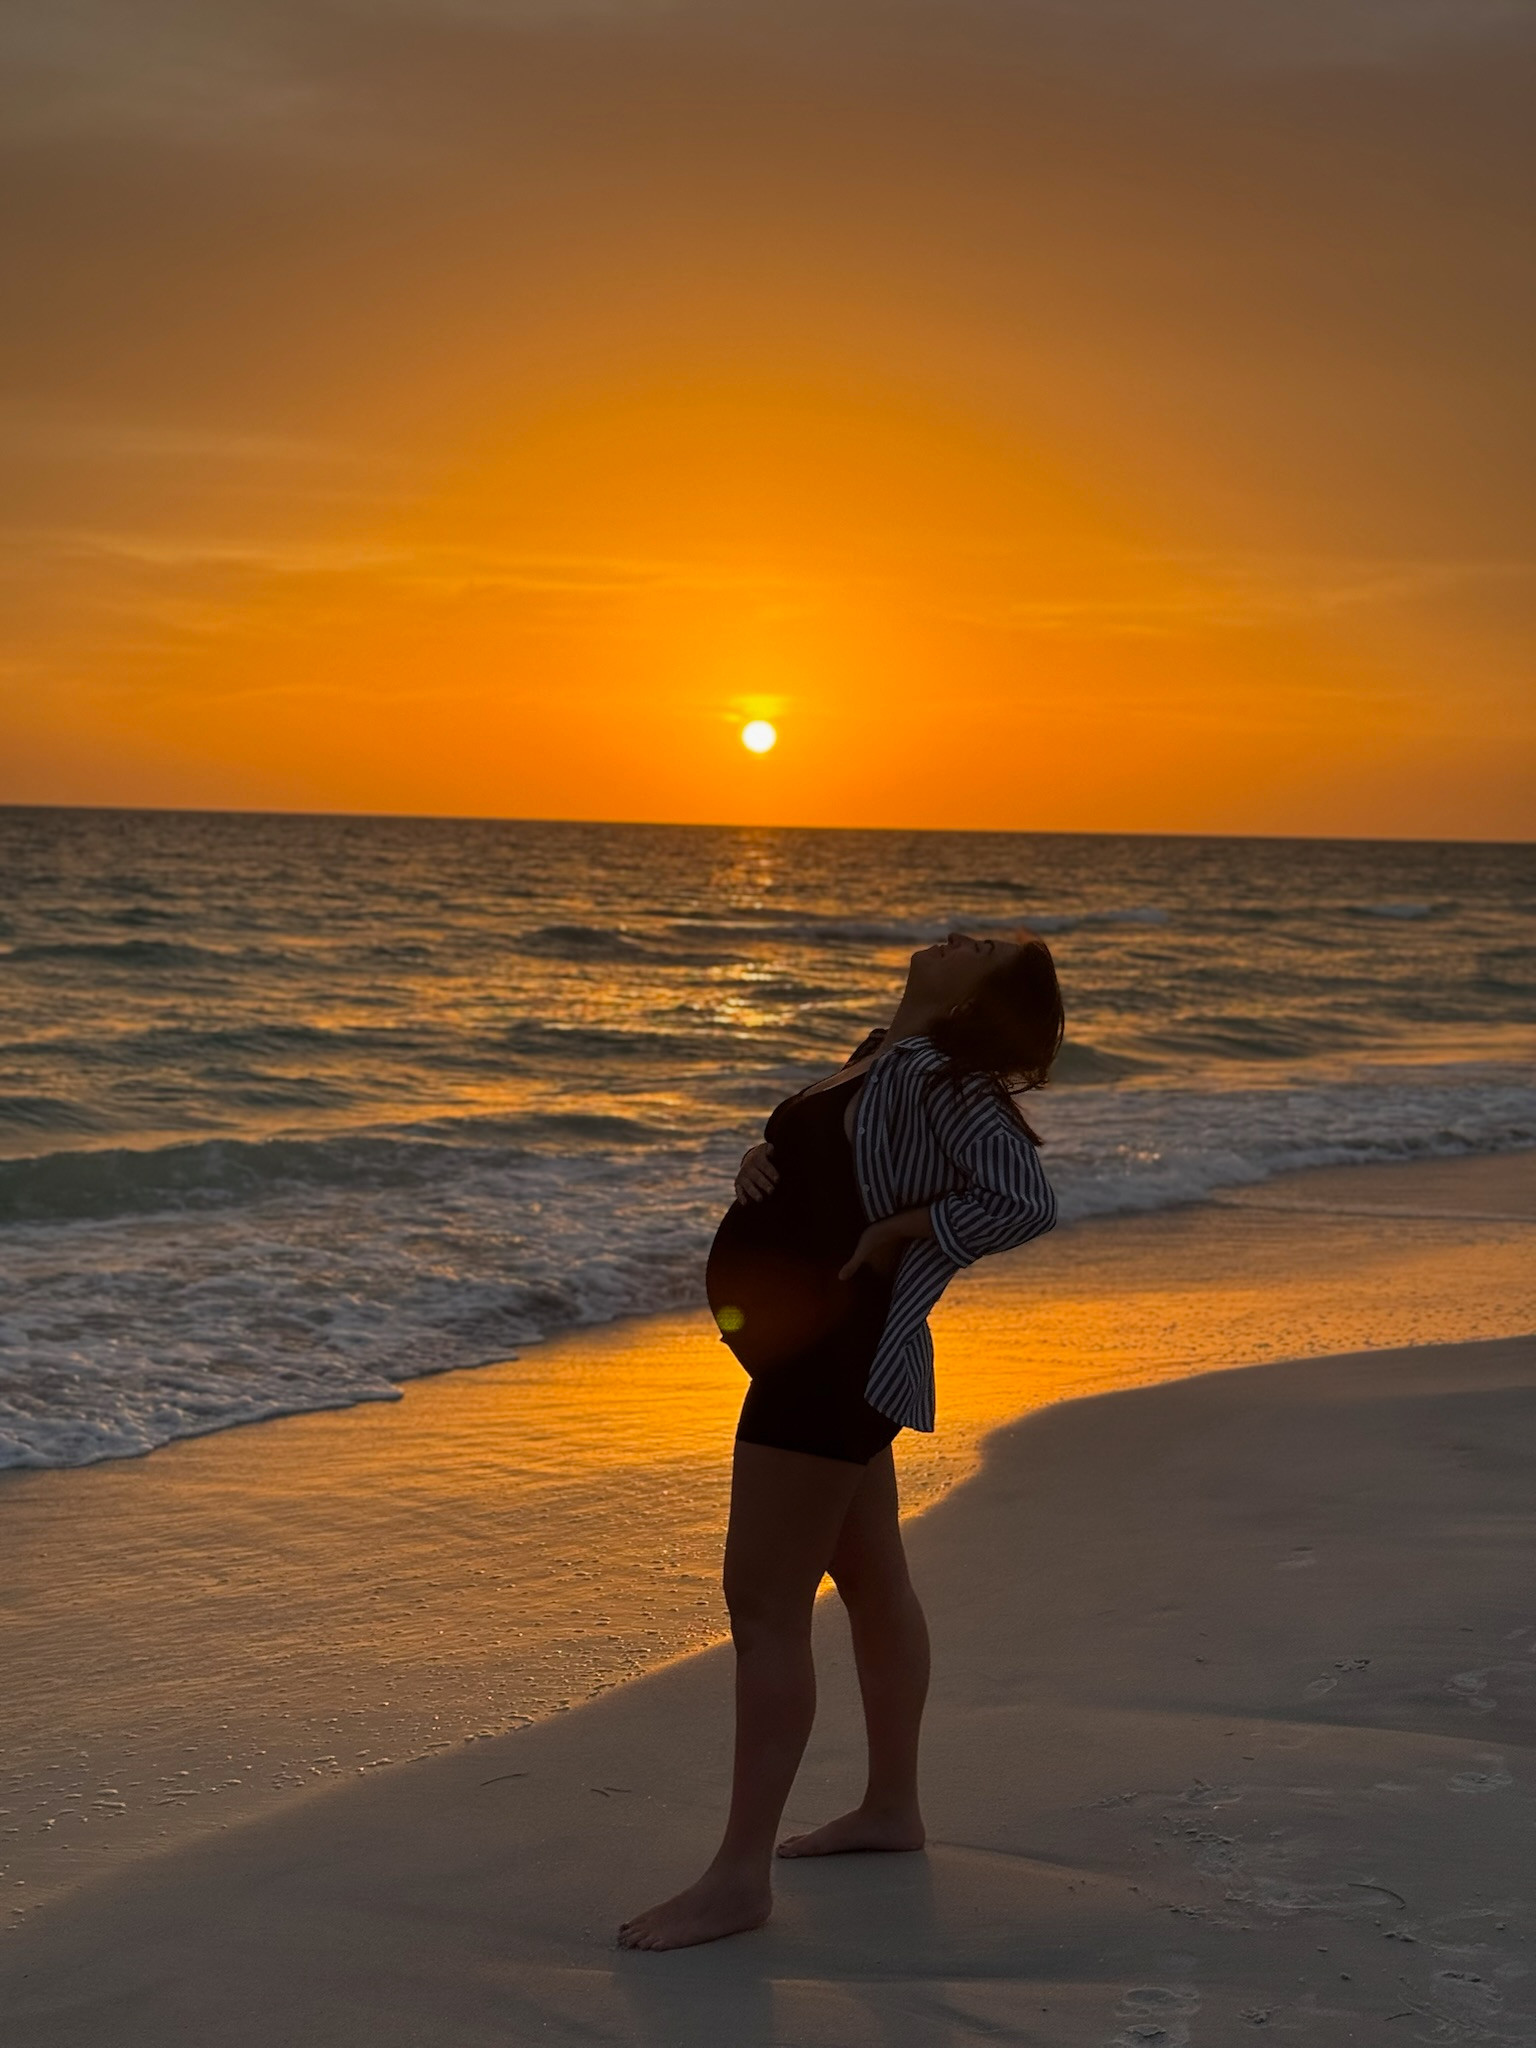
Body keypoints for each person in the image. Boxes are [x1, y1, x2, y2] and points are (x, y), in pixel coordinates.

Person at [617, 929, 1064, 1951]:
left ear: (977, 996)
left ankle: (738, 1878)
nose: (959, 932)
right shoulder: (879, 1053)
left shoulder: (943, 1076)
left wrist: (908, 1231)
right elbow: (822, 1166)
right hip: (825, 1358)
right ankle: (891, 1807)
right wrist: (758, 1155)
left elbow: (1023, 1198)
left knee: (765, 1605)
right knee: (872, 1581)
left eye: (983, 945)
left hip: (831, 1359)